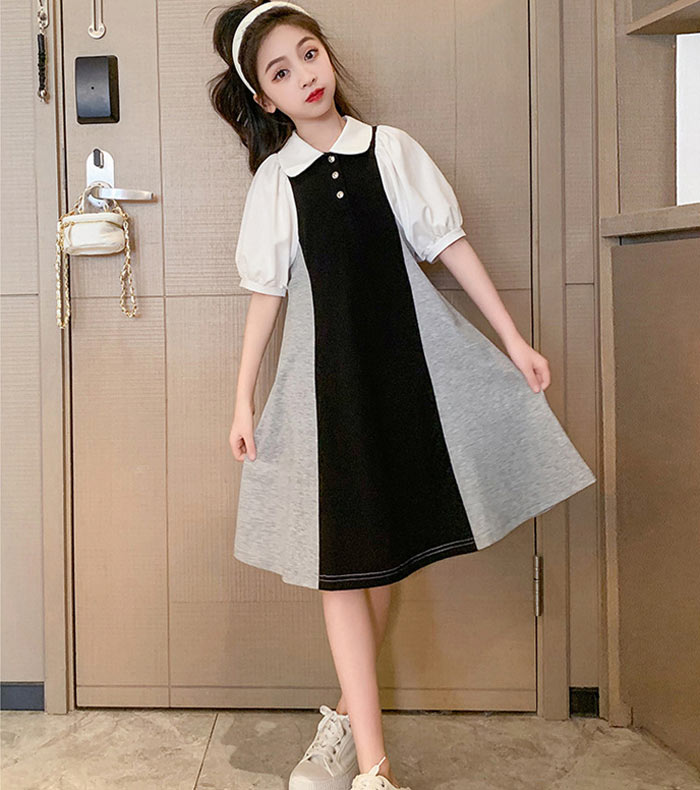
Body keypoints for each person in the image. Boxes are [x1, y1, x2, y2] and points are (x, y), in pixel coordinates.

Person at [209, 2, 597, 788]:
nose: (304, 76)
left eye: (308, 54)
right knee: (341, 567)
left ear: (326, 55)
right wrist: (243, 398)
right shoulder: (277, 182)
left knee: (375, 565)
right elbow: (266, 297)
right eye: (280, 72)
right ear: (264, 98)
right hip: (328, 395)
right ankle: (374, 771)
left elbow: (449, 246)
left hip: (407, 381)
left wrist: (512, 339)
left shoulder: (392, 151)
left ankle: (348, 722)